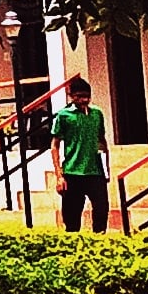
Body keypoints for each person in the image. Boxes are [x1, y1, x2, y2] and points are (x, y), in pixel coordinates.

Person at [50, 75, 113, 232]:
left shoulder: (97, 114)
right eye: (79, 96)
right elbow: (55, 145)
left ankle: (98, 241)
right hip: (72, 172)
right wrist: (59, 175)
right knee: (72, 218)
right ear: (71, 96)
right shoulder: (63, 115)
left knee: (101, 210)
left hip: (95, 171)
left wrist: (106, 168)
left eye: (86, 96)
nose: (84, 100)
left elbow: (102, 141)